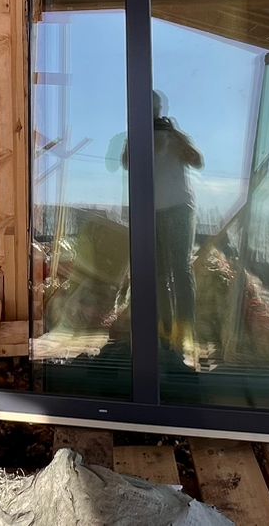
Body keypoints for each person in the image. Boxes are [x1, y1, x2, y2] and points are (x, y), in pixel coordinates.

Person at [121, 91, 202, 357]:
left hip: (178, 209)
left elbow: (197, 161)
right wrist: (141, 140)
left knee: (180, 269)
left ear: (159, 109)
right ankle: (165, 331)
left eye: (153, 107)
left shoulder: (174, 136)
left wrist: (174, 135)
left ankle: (184, 332)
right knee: (158, 274)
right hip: (150, 211)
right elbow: (126, 162)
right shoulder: (137, 136)